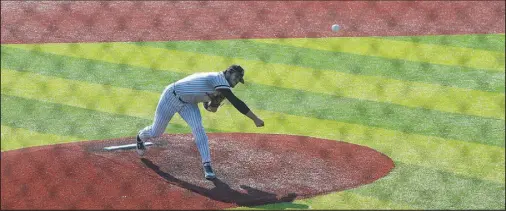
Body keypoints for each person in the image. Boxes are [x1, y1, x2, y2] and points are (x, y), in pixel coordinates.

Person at [136, 64, 264, 180]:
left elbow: (210, 109)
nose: (236, 82)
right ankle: (141, 136)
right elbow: (236, 102)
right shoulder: (218, 79)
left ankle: (207, 165)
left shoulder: (222, 89)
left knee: (198, 128)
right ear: (228, 72)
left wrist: (215, 103)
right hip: (171, 96)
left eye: (238, 80)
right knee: (156, 132)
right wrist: (255, 119)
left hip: (188, 105)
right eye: (236, 77)